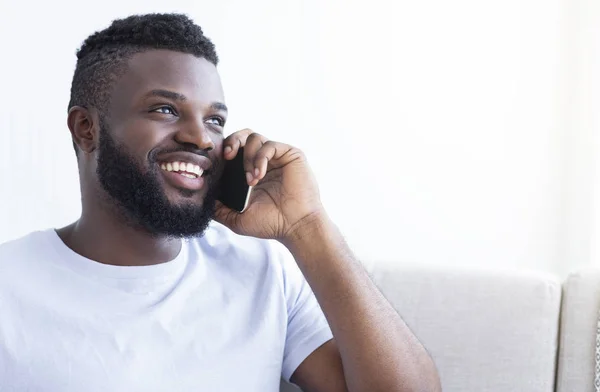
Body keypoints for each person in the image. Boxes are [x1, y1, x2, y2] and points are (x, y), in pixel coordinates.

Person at [0, 13, 441, 392]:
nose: (200, 138)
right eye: (165, 110)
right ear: (85, 129)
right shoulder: (11, 284)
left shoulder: (263, 270)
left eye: (215, 119)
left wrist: (306, 225)